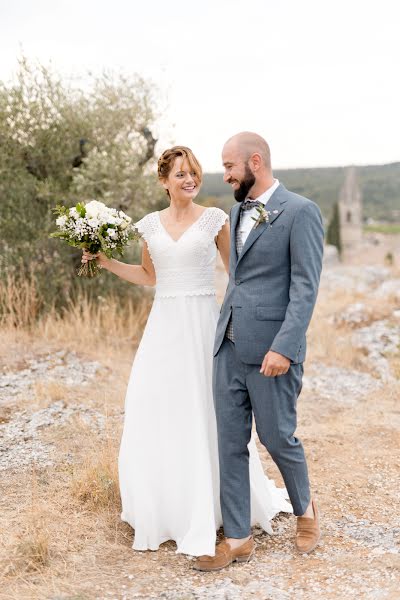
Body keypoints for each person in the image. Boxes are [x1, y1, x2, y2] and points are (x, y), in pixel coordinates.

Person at [81, 145, 292, 557]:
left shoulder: (215, 220)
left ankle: (219, 504)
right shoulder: (149, 226)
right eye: (180, 174)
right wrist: (103, 262)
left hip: (203, 325)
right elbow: (147, 275)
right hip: (163, 327)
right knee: (155, 405)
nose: (190, 179)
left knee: (208, 409)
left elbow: (238, 275)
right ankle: (167, 505)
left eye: (193, 172)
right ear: (164, 181)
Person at [194, 133, 324, 572]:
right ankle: (237, 539)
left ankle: (306, 514)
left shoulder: (301, 212)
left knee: (276, 437)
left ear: (255, 161)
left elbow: (305, 288)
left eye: (230, 166)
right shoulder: (236, 210)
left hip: (272, 351)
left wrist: (284, 347)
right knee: (230, 443)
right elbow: (240, 278)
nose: (225, 174)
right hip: (227, 345)